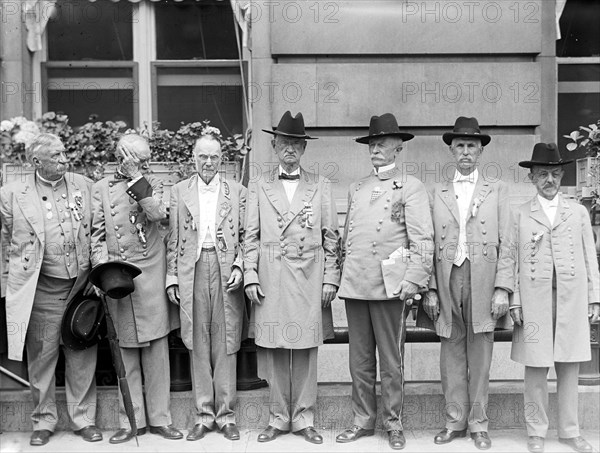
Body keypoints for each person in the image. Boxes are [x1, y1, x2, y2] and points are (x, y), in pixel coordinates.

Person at [335, 113, 434, 450]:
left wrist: (414, 280)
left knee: (391, 361)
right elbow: (346, 238)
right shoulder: (357, 187)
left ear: (399, 147)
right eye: (371, 143)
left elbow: (422, 239)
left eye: (382, 143)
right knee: (359, 359)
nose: (375, 148)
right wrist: (338, 277)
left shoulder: (411, 187)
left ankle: (393, 422)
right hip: (357, 284)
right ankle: (362, 421)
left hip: (391, 287)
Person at [244, 111, 340, 444]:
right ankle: (278, 417)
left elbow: (332, 237)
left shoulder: (320, 185)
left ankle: (303, 418)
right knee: (273, 348)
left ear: (303, 149)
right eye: (284, 143)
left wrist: (331, 279)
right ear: (274, 146)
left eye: (296, 144)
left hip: (308, 276)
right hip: (270, 275)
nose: (290, 150)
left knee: (304, 348)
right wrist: (250, 275)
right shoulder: (259, 185)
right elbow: (250, 236)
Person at [420, 116, 515, 450]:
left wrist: (503, 287)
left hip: (484, 279)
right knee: (451, 354)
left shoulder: (498, 190)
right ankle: (454, 421)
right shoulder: (437, 192)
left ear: (480, 151)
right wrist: (430, 288)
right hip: (448, 279)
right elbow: (426, 243)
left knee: (481, 356)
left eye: (471, 146)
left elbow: (509, 243)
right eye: (459, 146)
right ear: (451, 150)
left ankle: (478, 424)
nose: (465, 152)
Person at [0, 133, 101, 446]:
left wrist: (98, 273)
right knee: (42, 358)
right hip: (41, 289)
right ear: (36, 162)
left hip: (81, 287)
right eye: (56, 156)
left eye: (64, 153)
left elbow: (98, 230)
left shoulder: (83, 184)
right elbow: (6, 241)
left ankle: (83, 420)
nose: (64, 159)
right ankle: (43, 421)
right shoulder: (12, 194)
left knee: (82, 355)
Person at [90, 133, 182, 444]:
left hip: (151, 275)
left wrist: (137, 177)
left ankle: (161, 419)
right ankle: (131, 421)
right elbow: (97, 236)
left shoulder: (153, 183)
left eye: (145, 160)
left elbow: (158, 213)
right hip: (118, 279)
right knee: (124, 351)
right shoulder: (100, 188)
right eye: (138, 159)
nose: (144, 164)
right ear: (121, 155)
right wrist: (102, 272)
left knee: (157, 351)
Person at [511, 143, 600, 453]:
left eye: (554, 174)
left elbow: (591, 257)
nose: (549, 180)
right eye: (542, 174)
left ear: (562, 175)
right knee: (535, 369)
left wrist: (594, 298)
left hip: (571, 299)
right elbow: (511, 260)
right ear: (532, 178)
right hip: (533, 299)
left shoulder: (577, 212)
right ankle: (536, 432)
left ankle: (570, 431)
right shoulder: (520, 214)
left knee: (570, 365)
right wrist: (514, 300)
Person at [166, 134, 247, 441]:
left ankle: (226, 416)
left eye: (214, 157)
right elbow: (172, 238)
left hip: (226, 267)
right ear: (193, 157)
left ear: (222, 158)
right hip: (194, 268)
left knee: (227, 339)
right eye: (203, 157)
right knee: (197, 339)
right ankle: (203, 415)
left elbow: (246, 235)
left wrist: (240, 264)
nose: (209, 163)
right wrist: (172, 277)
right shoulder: (179, 191)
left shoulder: (237, 191)